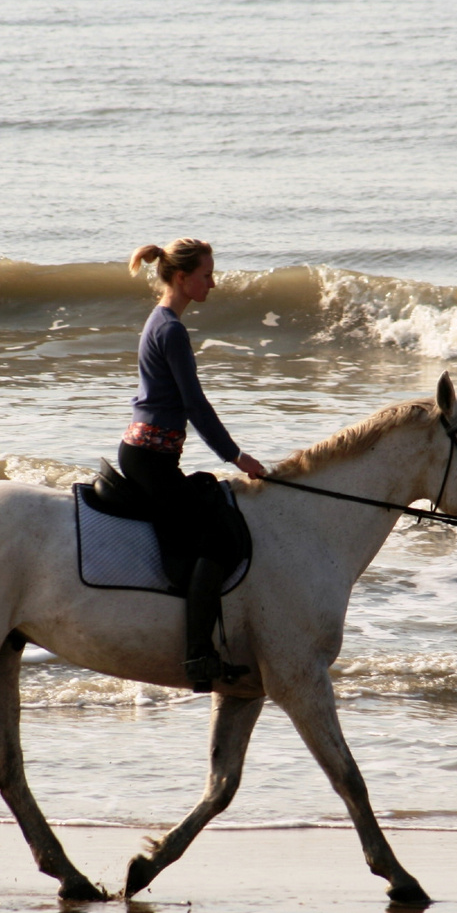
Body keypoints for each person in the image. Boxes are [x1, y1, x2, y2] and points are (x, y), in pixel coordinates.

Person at [121, 238, 266, 692]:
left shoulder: (161, 321)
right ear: (182, 278)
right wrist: (236, 456)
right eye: (206, 274)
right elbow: (194, 405)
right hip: (150, 462)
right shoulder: (171, 329)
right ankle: (199, 655)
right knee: (221, 539)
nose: (213, 282)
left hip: (151, 456)